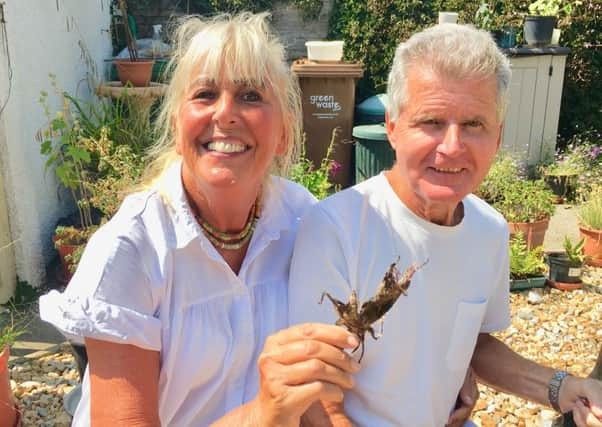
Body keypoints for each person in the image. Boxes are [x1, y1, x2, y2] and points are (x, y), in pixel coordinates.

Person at [39, 12, 362, 426]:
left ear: (283, 132)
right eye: (205, 94)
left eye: (250, 96)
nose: (225, 114)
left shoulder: (304, 221)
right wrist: (262, 413)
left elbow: (325, 397)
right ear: (177, 125)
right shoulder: (131, 248)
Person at [288, 23, 602, 427]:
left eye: (474, 125)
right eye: (432, 121)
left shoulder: (488, 229)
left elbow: (475, 344)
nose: (452, 147)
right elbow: (313, 394)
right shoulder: (336, 227)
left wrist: (563, 387)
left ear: (498, 135)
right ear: (393, 126)